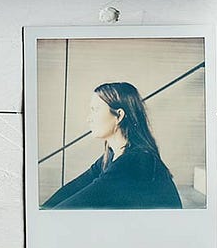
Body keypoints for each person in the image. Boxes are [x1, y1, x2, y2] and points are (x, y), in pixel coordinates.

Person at [42, 81, 182, 210]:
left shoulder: (136, 161)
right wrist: (44, 210)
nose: (88, 118)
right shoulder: (113, 154)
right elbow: (73, 189)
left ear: (119, 116)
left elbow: (79, 203)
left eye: (95, 109)